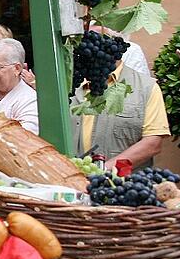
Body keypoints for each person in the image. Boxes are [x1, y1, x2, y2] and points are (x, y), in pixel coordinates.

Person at [70, 32, 170, 169]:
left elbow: (152, 143)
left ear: (116, 45)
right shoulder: (69, 83)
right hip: (66, 183)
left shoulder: (146, 87)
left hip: (122, 185)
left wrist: (103, 170)